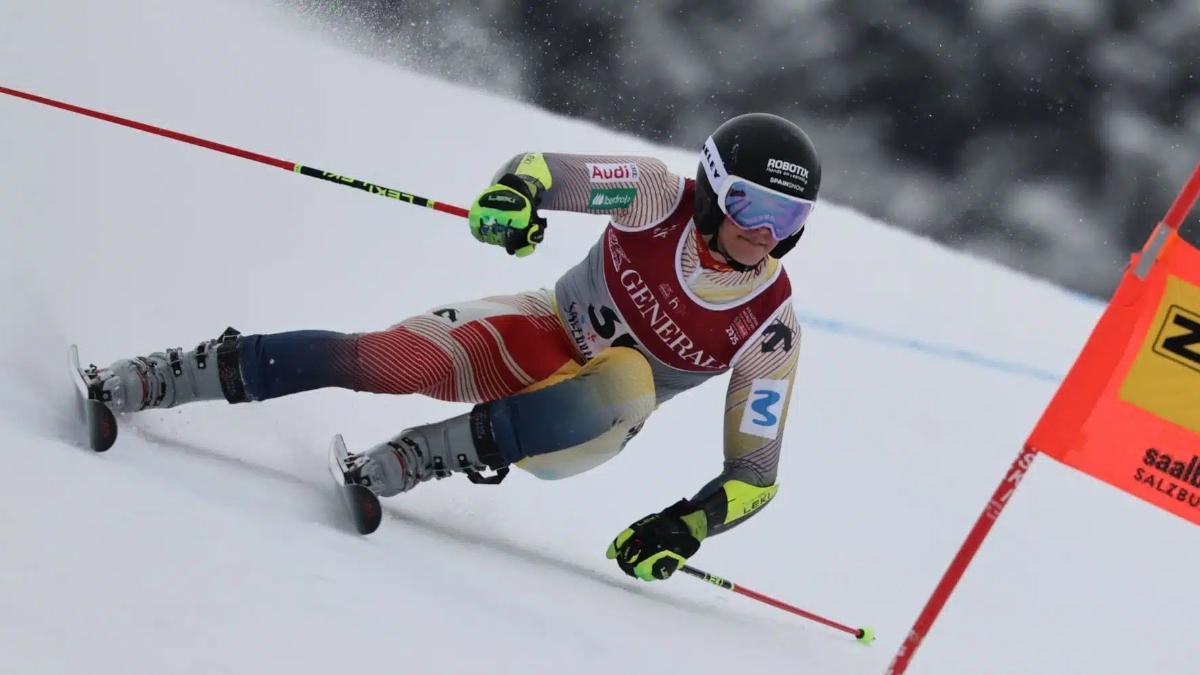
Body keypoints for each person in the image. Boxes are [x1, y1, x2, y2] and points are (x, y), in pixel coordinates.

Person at [82, 113, 820, 582]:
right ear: (714, 188)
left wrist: (684, 526)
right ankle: (164, 376)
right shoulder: (656, 196)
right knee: (385, 359)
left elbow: (755, 474)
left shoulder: (769, 324)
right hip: (542, 328)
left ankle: (427, 454)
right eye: (752, 204)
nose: (765, 231)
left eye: (786, 215)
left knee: (628, 379)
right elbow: (547, 172)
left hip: (588, 422)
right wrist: (513, 200)